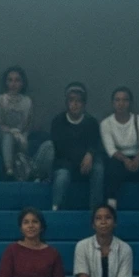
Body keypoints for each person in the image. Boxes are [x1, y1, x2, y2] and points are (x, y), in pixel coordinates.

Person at [34, 82, 105, 211]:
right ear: (66, 102)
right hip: (64, 164)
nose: (75, 104)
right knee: (62, 177)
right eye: (71, 100)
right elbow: (61, 150)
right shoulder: (58, 121)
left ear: (84, 103)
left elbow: (94, 144)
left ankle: (96, 211)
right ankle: (57, 210)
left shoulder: (92, 122)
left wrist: (90, 154)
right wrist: (83, 157)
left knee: (99, 169)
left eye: (79, 101)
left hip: (86, 165)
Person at [101, 87, 139, 211]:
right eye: (117, 100)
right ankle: (111, 210)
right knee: (110, 170)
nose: (121, 104)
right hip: (118, 159)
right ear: (113, 103)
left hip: (137, 157)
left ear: (130, 103)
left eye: (125, 100)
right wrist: (126, 160)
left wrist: (137, 159)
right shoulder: (106, 123)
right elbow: (110, 149)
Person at [0, 66, 33, 180]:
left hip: (22, 136)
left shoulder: (27, 101)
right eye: (10, 80)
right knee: (8, 137)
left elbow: (27, 124)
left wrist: (20, 134)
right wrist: (12, 132)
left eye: (17, 80)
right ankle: (9, 169)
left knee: (23, 141)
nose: (13, 84)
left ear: (22, 83)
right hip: (3, 136)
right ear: (6, 82)